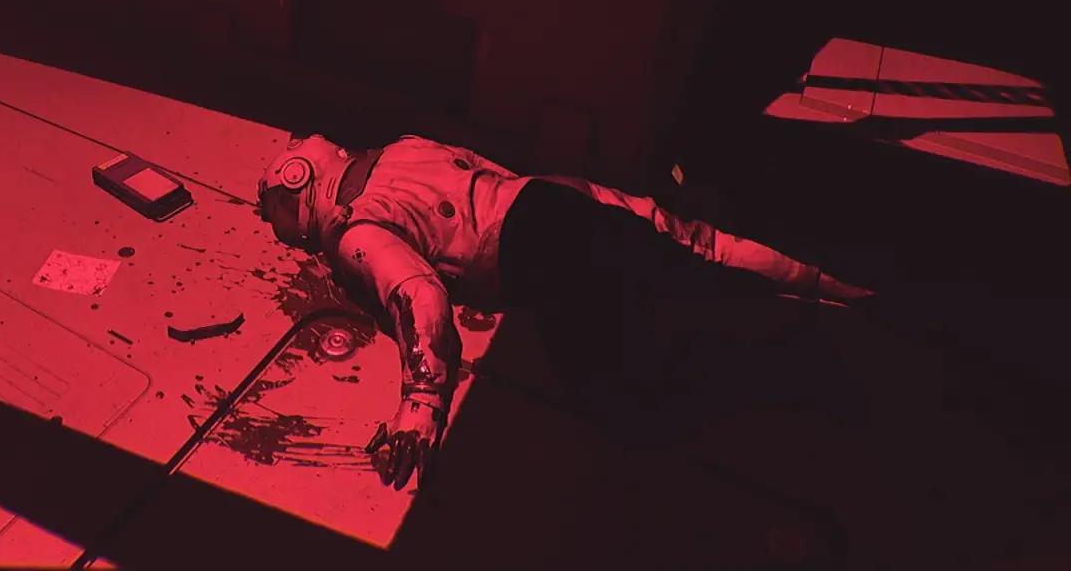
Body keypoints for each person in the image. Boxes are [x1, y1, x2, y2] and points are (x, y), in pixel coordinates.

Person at [256, 134, 874, 491]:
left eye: (272, 207)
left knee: (626, 405)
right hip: (552, 196)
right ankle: (836, 286)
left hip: (542, 255)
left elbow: (420, 295)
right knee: (700, 251)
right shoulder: (401, 148)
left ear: (297, 180)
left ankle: (785, 367)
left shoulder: (355, 232)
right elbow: (487, 171)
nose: (273, 223)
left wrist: (420, 406)